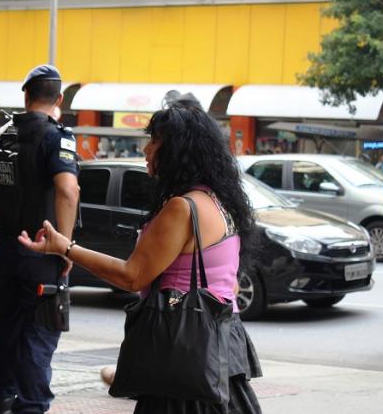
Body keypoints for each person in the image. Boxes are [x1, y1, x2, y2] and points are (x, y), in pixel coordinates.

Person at [18, 102, 263, 414]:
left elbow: (131, 276)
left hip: (185, 362)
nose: (146, 149)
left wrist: (65, 248)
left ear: (178, 150)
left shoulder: (183, 208)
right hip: (216, 357)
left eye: (155, 140)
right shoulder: (218, 202)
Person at [0, 64, 80, 413]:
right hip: (41, 251)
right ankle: (31, 407)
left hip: (5, 249)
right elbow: (67, 189)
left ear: (26, 96)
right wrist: (64, 245)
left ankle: (2, 401)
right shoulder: (57, 137)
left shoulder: (1, 135)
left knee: (6, 328)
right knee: (38, 333)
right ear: (59, 98)